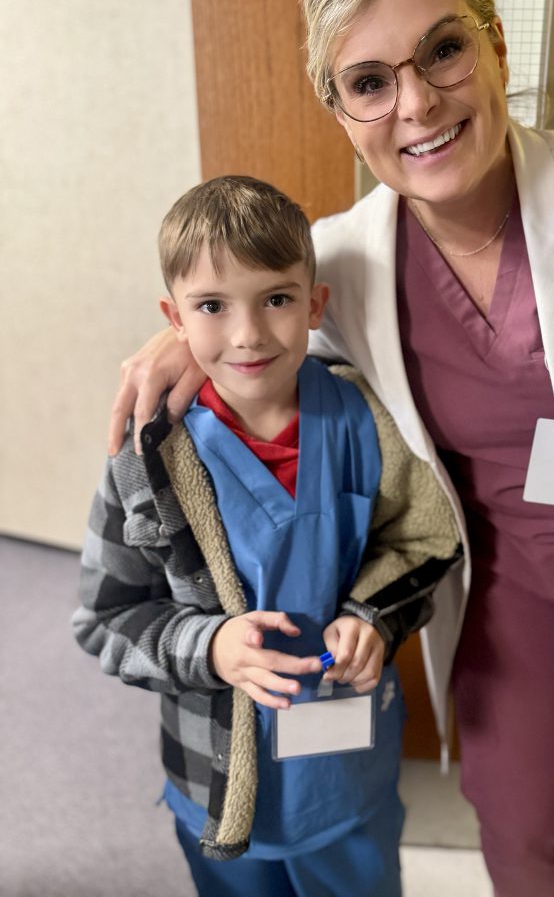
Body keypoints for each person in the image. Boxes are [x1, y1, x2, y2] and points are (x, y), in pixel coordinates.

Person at [107, 0, 554, 897]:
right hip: (502, 597)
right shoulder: (345, 262)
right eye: (371, 81)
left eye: (444, 49)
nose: (417, 103)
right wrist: (184, 337)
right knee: (513, 833)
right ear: (339, 106)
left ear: (494, 43)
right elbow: (261, 315)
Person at [74, 174, 461, 897]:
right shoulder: (147, 460)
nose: (248, 333)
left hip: (348, 774)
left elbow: (424, 540)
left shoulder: (366, 422)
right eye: (212, 307)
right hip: (218, 778)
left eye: (277, 299)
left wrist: (372, 616)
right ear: (174, 319)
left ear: (315, 305)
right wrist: (210, 646)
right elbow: (104, 619)